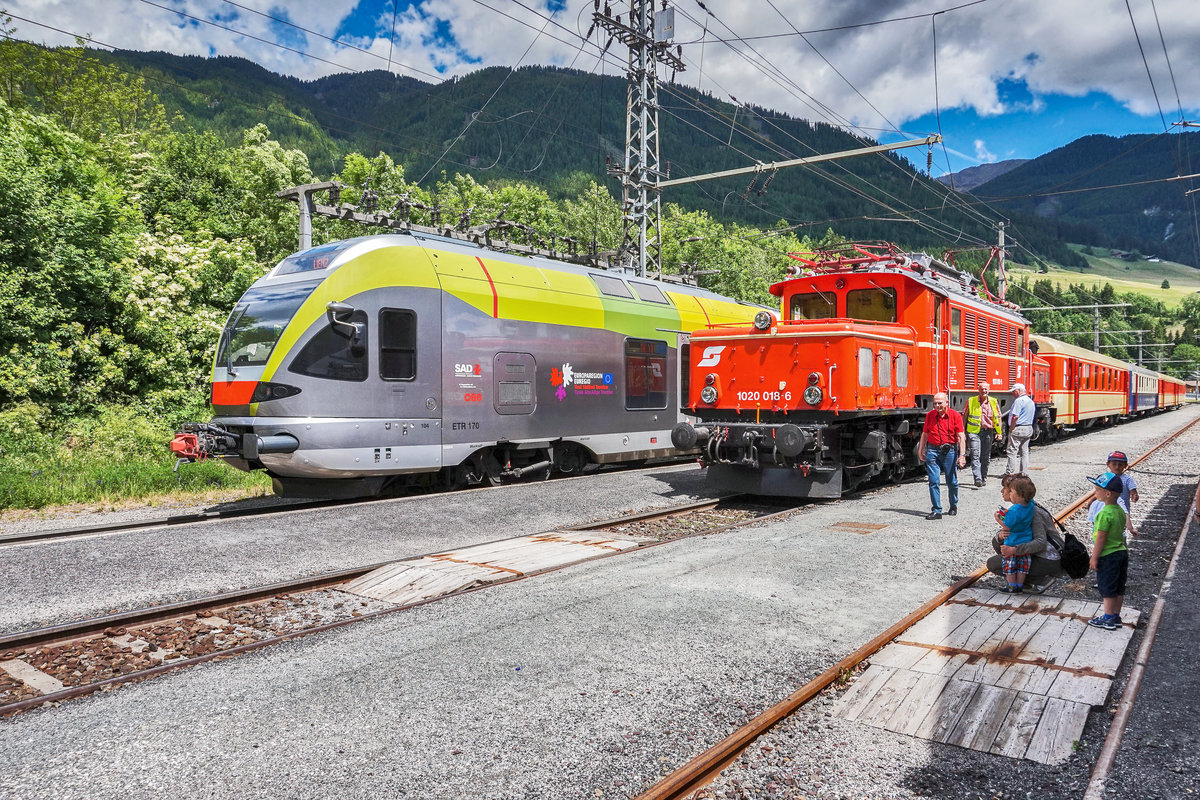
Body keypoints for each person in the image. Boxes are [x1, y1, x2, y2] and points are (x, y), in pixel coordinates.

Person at [987, 474, 1066, 593]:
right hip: (1034, 552)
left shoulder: (1032, 512)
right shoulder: (1022, 507)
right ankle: (1021, 579)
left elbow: (1040, 543)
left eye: (1006, 489)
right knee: (998, 542)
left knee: (993, 564)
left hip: (1047, 558)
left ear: (1018, 492)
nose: (1002, 491)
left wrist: (1015, 550)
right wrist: (1000, 536)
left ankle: (1039, 580)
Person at [1087, 472, 1129, 630]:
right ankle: (1116, 615)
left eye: (1097, 489)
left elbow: (1101, 538)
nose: (1095, 492)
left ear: (1108, 493)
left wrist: (1094, 557)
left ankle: (1108, 617)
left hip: (1108, 555)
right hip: (1121, 552)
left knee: (1107, 588)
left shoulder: (1104, 513)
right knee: (1119, 586)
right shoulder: (1119, 511)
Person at [916, 392, 966, 520]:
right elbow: (925, 434)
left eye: (940, 403)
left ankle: (953, 506)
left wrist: (962, 455)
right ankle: (937, 510)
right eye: (935, 404)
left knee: (952, 481)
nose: (937, 406)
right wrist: (921, 449)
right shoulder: (930, 416)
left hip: (950, 451)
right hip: (933, 450)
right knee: (933, 481)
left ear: (946, 403)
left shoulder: (955, 416)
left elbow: (961, 436)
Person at [992, 474, 1037, 592]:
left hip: (1012, 542)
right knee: (1023, 567)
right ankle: (1020, 586)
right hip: (1026, 540)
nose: (1009, 494)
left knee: (1010, 567)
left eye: (1011, 491)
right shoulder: (1030, 504)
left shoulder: (1013, 510)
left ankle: (1011, 586)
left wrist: (998, 518)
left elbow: (1008, 525)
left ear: (1019, 494)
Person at [1086, 451, 1139, 537]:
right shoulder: (1105, 478)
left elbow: (1133, 492)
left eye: (1120, 464)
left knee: (1118, 529)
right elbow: (1098, 492)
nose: (1117, 467)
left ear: (1125, 466)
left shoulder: (1127, 479)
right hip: (1107, 506)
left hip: (1120, 509)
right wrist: (1091, 502)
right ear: (1108, 464)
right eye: (1114, 464)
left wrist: (1134, 496)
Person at [966, 383, 1001, 487]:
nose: (984, 391)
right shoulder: (971, 401)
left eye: (986, 389)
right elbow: (965, 415)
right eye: (982, 389)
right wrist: (963, 431)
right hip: (974, 432)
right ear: (978, 390)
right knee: (975, 455)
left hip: (988, 431)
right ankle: (977, 478)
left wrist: (999, 432)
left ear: (989, 390)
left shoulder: (994, 401)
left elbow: (998, 417)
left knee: (985, 456)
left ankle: (983, 477)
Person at [1005, 383, 1036, 475]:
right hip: (1028, 428)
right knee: (1024, 452)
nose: (1012, 394)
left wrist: (1011, 428)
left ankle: (1009, 473)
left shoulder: (1019, 401)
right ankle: (1024, 473)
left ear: (1018, 391)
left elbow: (1015, 416)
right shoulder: (1030, 401)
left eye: (1013, 392)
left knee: (1012, 451)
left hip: (1018, 428)